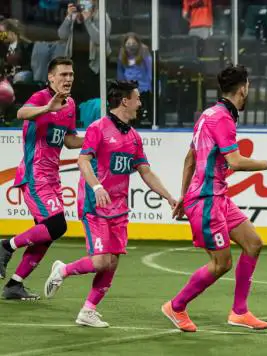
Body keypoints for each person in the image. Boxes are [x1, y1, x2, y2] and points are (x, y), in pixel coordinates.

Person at [162, 65, 267, 332]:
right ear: (243, 88)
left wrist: (182, 194)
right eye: (248, 86)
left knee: (253, 243)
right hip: (206, 200)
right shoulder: (222, 119)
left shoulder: (210, 114)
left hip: (214, 197)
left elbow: (190, 157)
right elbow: (235, 161)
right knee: (221, 263)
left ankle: (239, 312)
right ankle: (176, 306)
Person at [43, 80, 178, 328]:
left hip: (119, 208)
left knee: (112, 262)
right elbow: (83, 161)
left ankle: (88, 310)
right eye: (137, 98)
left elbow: (146, 172)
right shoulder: (98, 128)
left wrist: (168, 196)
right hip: (95, 204)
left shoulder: (135, 137)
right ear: (125, 101)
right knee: (100, 261)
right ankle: (62, 270)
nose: (140, 103)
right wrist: (97, 186)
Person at [0, 57, 82, 300]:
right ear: (51, 78)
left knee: (48, 232)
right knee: (57, 225)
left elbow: (69, 140)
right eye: (63, 74)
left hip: (52, 177)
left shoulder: (70, 105)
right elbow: (21, 112)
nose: (68, 79)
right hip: (35, 175)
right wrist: (48, 108)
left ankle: (15, 284)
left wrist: (95, 138)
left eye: (71, 74)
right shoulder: (40, 98)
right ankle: (6, 246)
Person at [0, 18, 34, 83]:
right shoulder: (2, 46)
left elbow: (31, 67)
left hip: (21, 79)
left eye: (2, 33)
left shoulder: (28, 46)